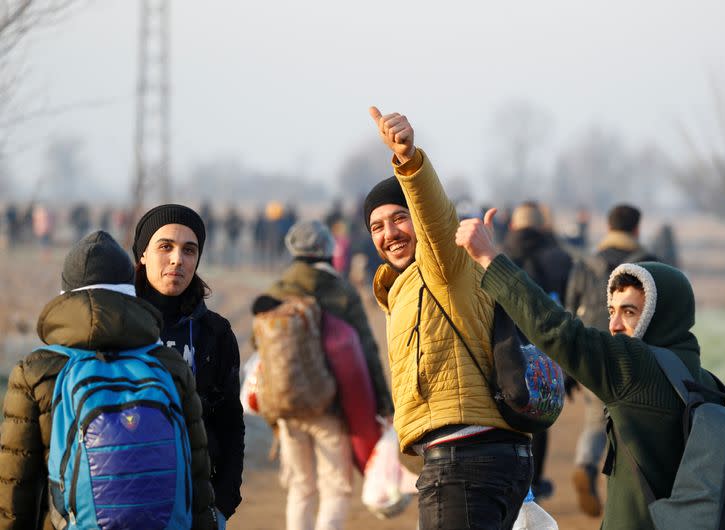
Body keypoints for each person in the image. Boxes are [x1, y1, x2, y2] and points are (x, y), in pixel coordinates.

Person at [456, 208, 720, 530]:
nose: (613, 324)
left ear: (661, 313)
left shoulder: (636, 366)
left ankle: (585, 463)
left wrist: (490, 259)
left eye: (629, 312)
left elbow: (557, 329)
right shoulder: (707, 383)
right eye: (611, 310)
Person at [364, 107, 532, 530]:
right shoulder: (404, 286)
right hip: (481, 457)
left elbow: (436, 219)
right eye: (377, 226)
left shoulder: (442, 265)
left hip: (465, 459)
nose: (389, 233)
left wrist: (408, 159)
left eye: (399, 217)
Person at [0, 231, 216, 529]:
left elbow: (16, 483)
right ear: (129, 293)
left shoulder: (37, 370)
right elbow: (197, 476)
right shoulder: (168, 365)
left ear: (66, 293)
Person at [254, 219, 394, 530]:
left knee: (301, 486)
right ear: (328, 249)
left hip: (287, 407)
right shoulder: (340, 291)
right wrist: (384, 403)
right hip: (328, 408)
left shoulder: (278, 289)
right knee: (337, 487)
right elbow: (367, 350)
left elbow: (258, 345)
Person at [133, 204, 245, 528]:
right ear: (142, 254)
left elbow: (230, 423)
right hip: (125, 496)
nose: (177, 259)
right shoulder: (117, 327)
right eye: (165, 246)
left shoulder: (216, 334)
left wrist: (223, 503)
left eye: (189, 250)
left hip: (197, 506)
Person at [563, 203, 658, 516]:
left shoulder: (585, 264)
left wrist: (568, 365)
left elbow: (568, 310)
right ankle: (628, 496)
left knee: (595, 417)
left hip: (593, 352)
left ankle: (585, 464)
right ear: (636, 229)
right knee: (633, 423)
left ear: (608, 227)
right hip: (635, 354)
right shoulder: (649, 264)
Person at [503, 200, 574, 499]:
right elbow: (572, 304)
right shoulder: (560, 257)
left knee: (506, 414)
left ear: (513, 225)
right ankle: (536, 480)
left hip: (506, 346)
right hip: (547, 346)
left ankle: (511, 481)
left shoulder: (499, 255)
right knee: (541, 415)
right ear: (542, 225)